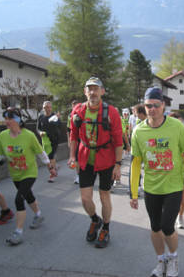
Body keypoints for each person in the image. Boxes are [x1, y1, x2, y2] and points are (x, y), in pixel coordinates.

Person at [130, 87, 184, 277]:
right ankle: (161, 261)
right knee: (155, 227)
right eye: (148, 105)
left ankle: (173, 258)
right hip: (151, 187)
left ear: (163, 105)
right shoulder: (138, 131)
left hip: (173, 186)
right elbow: (135, 164)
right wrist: (133, 193)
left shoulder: (176, 127)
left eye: (156, 105)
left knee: (167, 226)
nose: (152, 109)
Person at [0, 108, 56, 245]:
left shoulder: (29, 135)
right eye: (5, 118)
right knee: (28, 196)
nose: (6, 121)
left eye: (10, 118)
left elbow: (40, 152)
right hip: (15, 174)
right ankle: (38, 215)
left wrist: (50, 167)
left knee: (19, 199)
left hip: (29, 173)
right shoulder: (2, 136)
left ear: (18, 120)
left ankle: (18, 233)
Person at [68, 77, 123, 249]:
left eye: (96, 88)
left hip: (106, 159)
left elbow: (118, 140)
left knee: (104, 195)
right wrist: (72, 157)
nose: (92, 92)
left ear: (102, 91)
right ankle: (94, 219)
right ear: (85, 92)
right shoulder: (78, 110)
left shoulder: (111, 112)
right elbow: (73, 136)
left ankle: (105, 227)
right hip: (85, 158)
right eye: (89, 89)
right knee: (85, 199)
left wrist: (118, 164)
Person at [37, 100, 61, 182]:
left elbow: (59, 126)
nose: (47, 109)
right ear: (43, 108)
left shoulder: (55, 116)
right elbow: (38, 128)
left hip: (54, 139)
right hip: (45, 140)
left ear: (51, 108)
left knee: (50, 156)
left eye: (48, 107)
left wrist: (56, 119)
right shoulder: (40, 117)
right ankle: (55, 166)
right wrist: (40, 132)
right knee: (49, 156)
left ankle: (52, 174)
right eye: (45, 107)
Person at [67, 100, 80, 184]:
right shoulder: (69, 116)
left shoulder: (82, 114)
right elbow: (68, 130)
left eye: (76, 105)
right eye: (73, 106)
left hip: (84, 140)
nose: (75, 107)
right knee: (76, 159)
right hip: (75, 140)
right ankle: (78, 175)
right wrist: (69, 141)